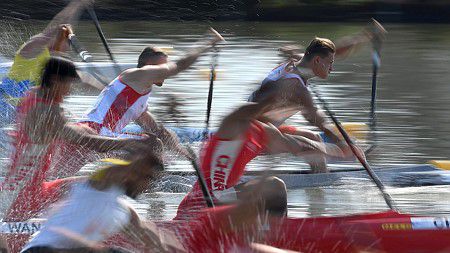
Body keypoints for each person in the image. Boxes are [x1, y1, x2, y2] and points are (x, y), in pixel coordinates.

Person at [0, 57, 152, 224]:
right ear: (55, 80)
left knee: (94, 185)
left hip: (28, 187)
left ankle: (84, 228)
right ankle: (90, 233)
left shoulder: (34, 93)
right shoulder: (46, 112)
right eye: (68, 84)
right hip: (24, 196)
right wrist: (126, 143)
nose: (69, 92)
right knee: (97, 189)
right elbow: (88, 142)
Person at [175, 97, 356, 221]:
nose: (284, 116)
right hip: (203, 202)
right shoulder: (234, 124)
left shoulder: (265, 132)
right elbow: (253, 108)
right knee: (274, 186)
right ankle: (278, 233)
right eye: (280, 111)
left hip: (223, 198)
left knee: (270, 188)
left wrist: (340, 152)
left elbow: (300, 145)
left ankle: (274, 230)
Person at [247, 20, 385, 173]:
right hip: (251, 138)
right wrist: (346, 144)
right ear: (317, 60)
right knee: (316, 149)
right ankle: (321, 185)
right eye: (330, 64)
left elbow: (337, 51)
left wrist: (365, 36)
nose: (332, 68)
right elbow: (320, 123)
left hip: (262, 128)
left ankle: (319, 183)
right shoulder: (298, 88)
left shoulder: (297, 63)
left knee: (314, 138)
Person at [79, 28, 225, 153]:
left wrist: (183, 153)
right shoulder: (136, 74)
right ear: (149, 65)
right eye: (161, 66)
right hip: (95, 132)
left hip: (102, 136)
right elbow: (180, 65)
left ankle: (152, 178)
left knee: (155, 140)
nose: (164, 72)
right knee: (153, 144)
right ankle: (154, 183)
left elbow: (157, 130)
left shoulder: (138, 95)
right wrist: (208, 43)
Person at [0, 0, 92, 124]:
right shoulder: (30, 50)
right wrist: (76, 4)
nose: (67, 47)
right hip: (5, 110)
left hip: (26, 113)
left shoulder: (54, 60)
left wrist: (80, 6)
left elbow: (66, 27)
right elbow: (53, 29)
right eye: (65, 41)